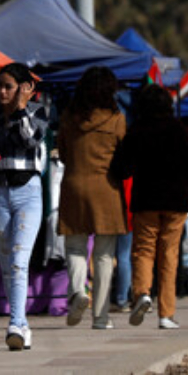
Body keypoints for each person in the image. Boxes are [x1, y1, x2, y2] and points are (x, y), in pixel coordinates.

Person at [109, 85, 188, 330]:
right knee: (169, 255)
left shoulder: (137, 130)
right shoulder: (178, 130)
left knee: (143, 250)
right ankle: (166, 314)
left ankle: (142, 293)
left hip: (146, 200)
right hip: (176, 201)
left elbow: (121, 168)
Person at [0, 63, 48, 351]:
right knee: (6, 263)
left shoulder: (38, 113)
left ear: (24, 89)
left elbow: (29, 140)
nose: (2, 92)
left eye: (9, 86)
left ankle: (15, 323)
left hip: (28, 192)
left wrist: (20, 110)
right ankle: (22, 324)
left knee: (19, 259)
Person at [56, 66, 127, 330]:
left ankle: (77, 291)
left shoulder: (68, 117)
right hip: (107, 190)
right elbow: (124, 155)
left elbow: (62, 153)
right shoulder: (116, 119)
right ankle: (101, 316)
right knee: (104, 255)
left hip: (74, 186)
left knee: (75, 247)